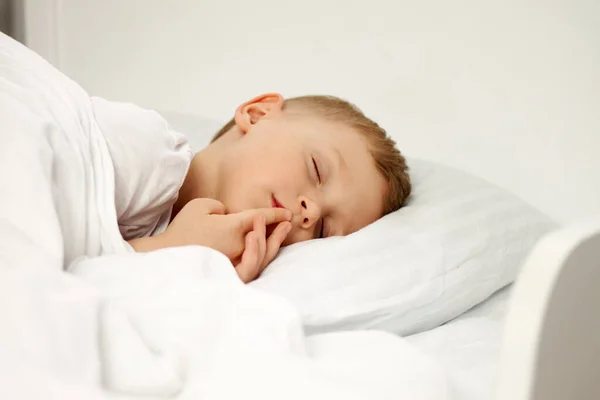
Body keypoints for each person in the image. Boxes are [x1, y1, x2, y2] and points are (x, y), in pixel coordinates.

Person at [126, 93, 411, 282]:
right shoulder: (137, 148)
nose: (310, 211)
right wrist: (170, 249)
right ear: (257, 115)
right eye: (316, 169)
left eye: (323, 228)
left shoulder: (213, 279)